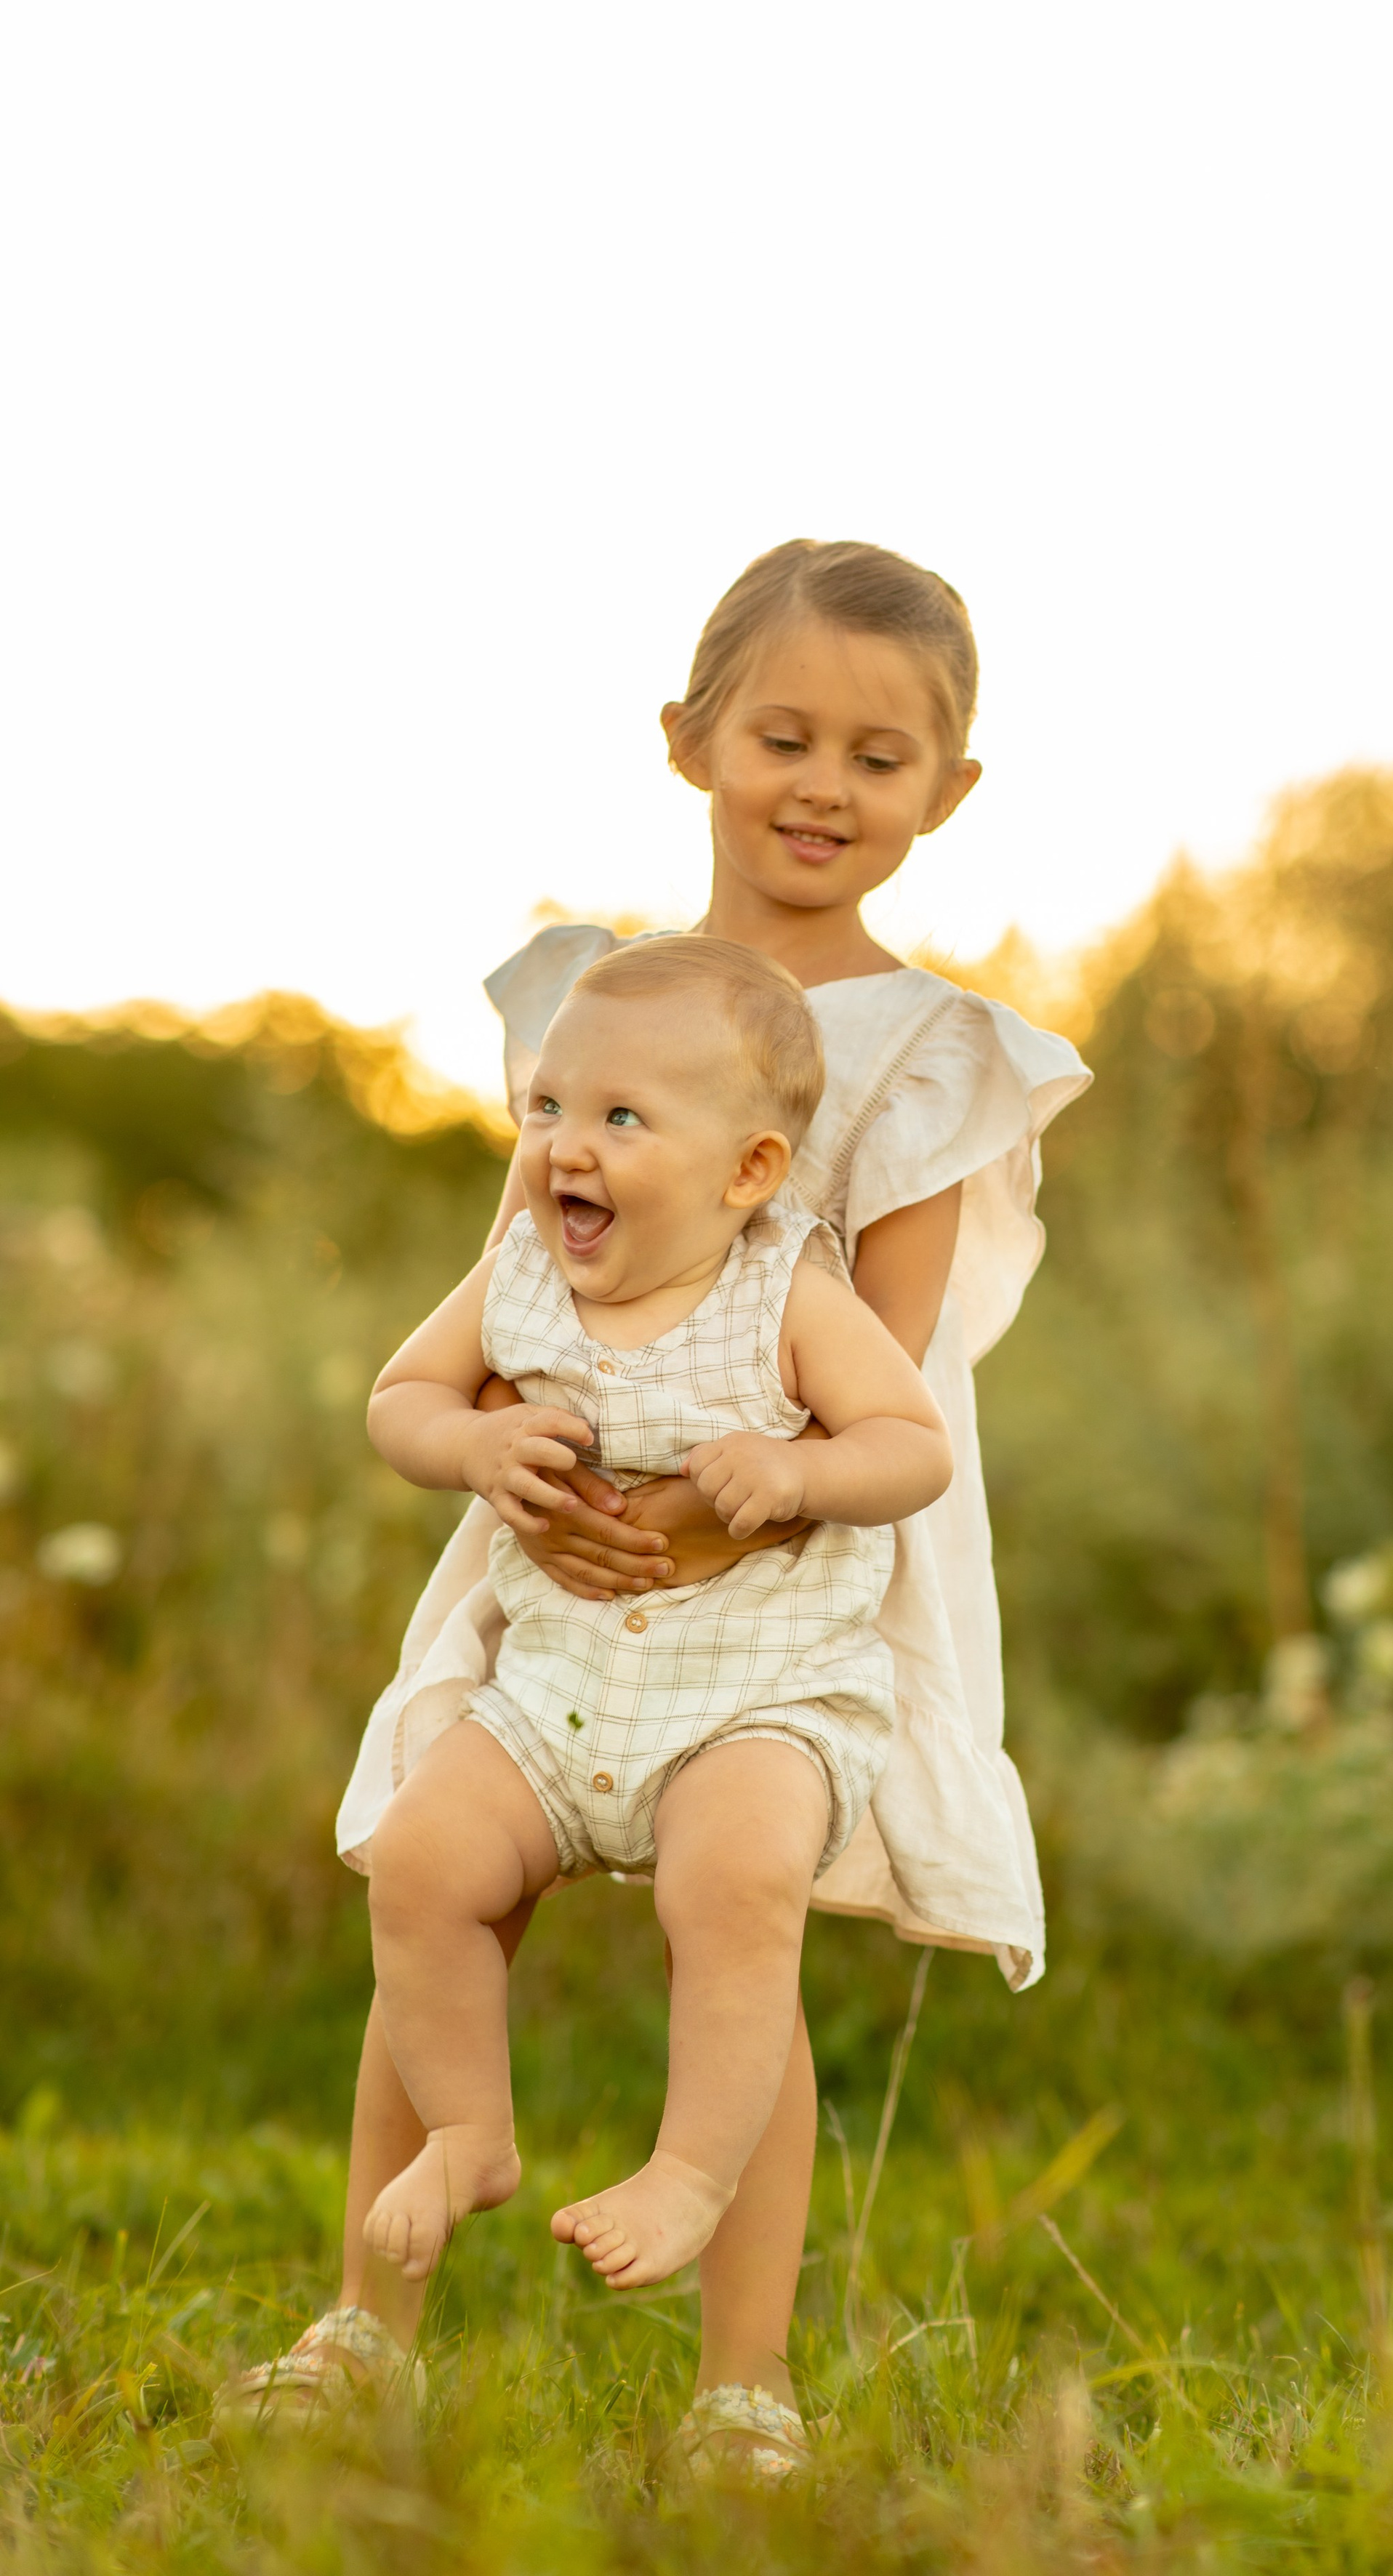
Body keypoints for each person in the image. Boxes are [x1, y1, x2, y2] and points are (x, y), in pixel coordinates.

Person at [220, 539, 1090, 2476]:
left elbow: (895, 1353)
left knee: (738, 1913)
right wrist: (516, 1465)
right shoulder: (592, 1003)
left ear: (947, 795)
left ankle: (744, 2383)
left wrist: (730, 1514)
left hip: (785, 1534)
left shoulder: (928, 1051)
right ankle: (372, 2318)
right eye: (782, 734)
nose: (823, 787)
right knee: (442, 1875)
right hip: (561, 1524)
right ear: (691, 738)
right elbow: (526, 1260)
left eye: (882, 757)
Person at [358, 933, 952, 2306]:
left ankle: (689, 2173)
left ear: (746, 1171)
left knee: (735, 1886)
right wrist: (470, 1451)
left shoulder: (785, 1293)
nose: (566, 1146)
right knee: (422, 1861)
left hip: (755, 1693)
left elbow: (912, 1446)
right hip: (557, 1689)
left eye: (621, 1118)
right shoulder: (520, 1272)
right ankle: (469, 2130)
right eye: (551, 1106)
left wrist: (803, 1468)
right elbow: (402, 1399)